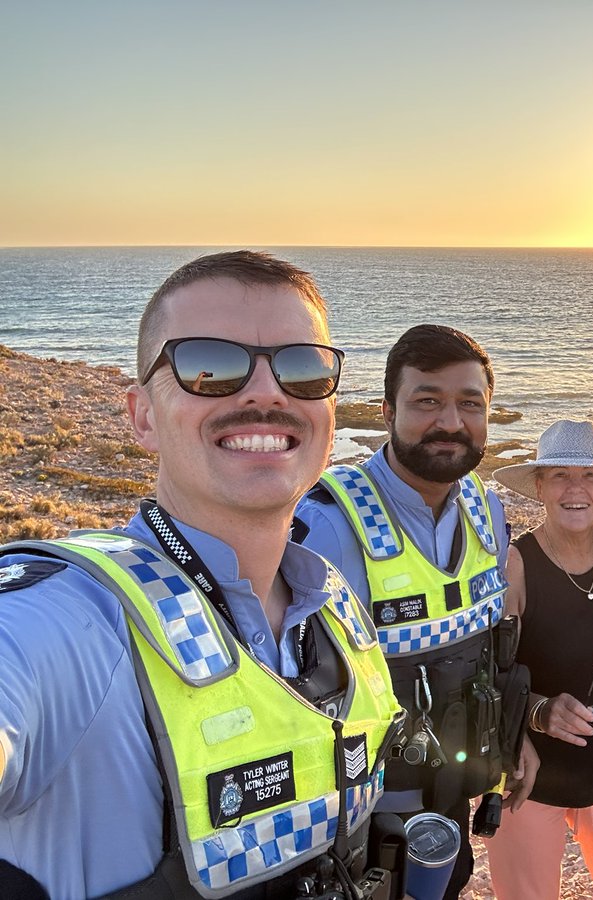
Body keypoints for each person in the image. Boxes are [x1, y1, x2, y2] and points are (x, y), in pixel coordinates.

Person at [0, 251, 405, 899]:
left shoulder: (333, 605)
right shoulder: (75, 621)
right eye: (208, 366)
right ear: (142, 416)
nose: (267, 393)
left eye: (302, 368)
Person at [295, 324, 534, 899]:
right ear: (386, 410)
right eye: (427, 401)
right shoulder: (326, 524)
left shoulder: (486, 509)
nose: (451, 422)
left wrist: (515, 733)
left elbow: (488, 646)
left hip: (451, 801)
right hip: (355, 824)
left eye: (470, 404)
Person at [486, 420, 593, 900]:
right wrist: (536, 714)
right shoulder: (514, 564)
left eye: (590, 475)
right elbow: (482, 669)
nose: (575, 488)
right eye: (559, 475)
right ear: (539, 486)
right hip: (530, 769)